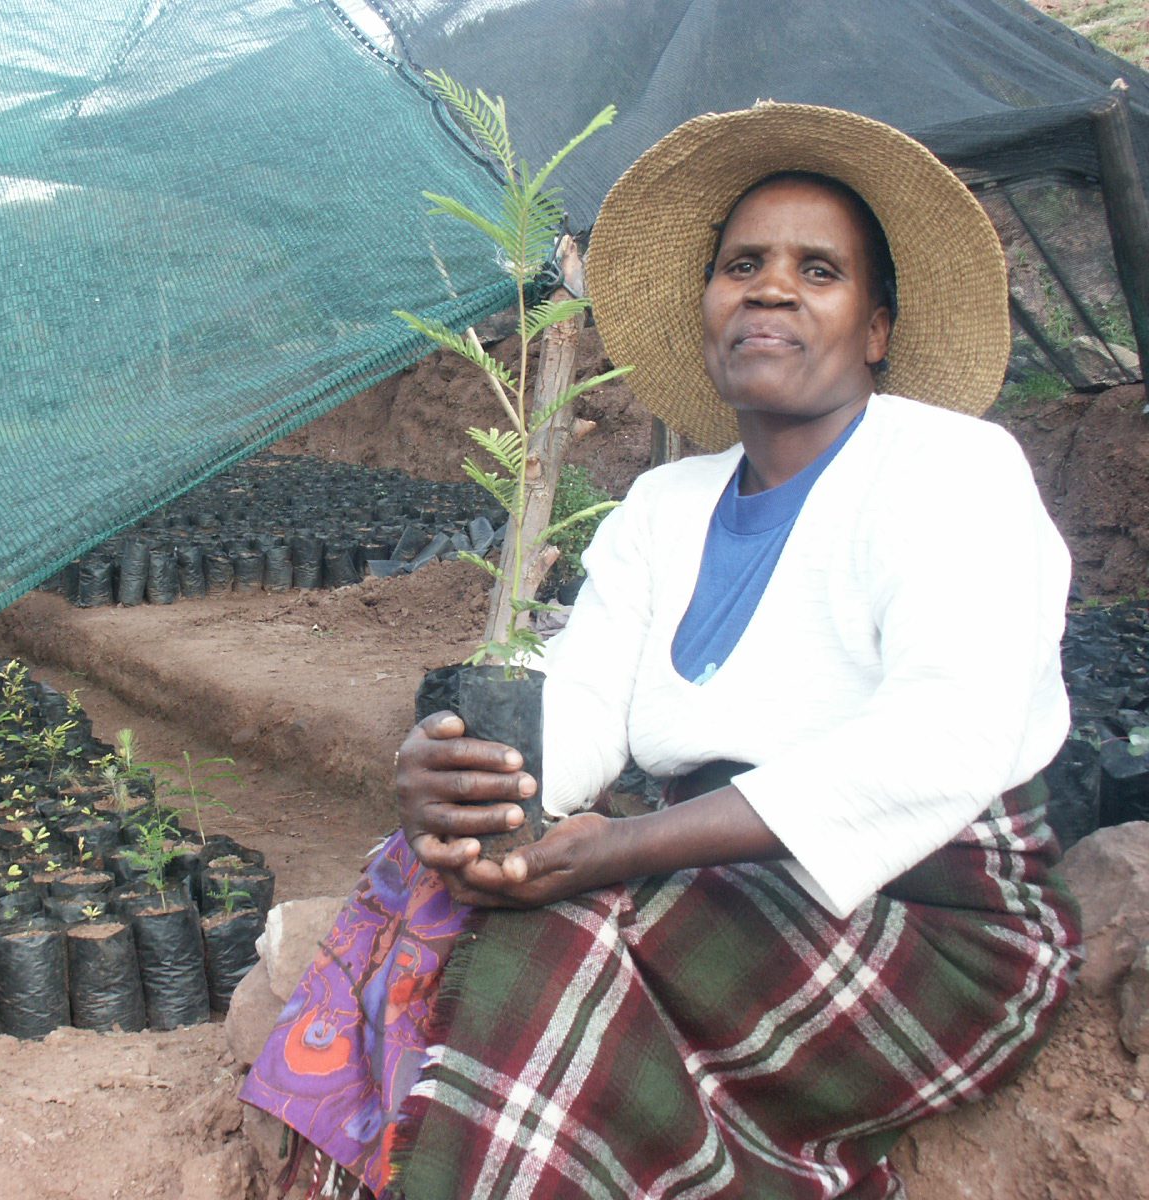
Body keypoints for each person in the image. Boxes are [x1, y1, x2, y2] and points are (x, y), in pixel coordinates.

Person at [239, 102, 1079, 1200]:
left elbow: (943, 734)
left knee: (550, 937)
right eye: (742, 264)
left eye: (817, 270)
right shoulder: (662, 504)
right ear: (709, 306)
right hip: (725, 875)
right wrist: (467, 775)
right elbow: (583, 699)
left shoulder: (951, 468)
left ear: (875, 328)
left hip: (934, 917)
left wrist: (630, 850)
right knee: (429, 873)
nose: (769, 288)